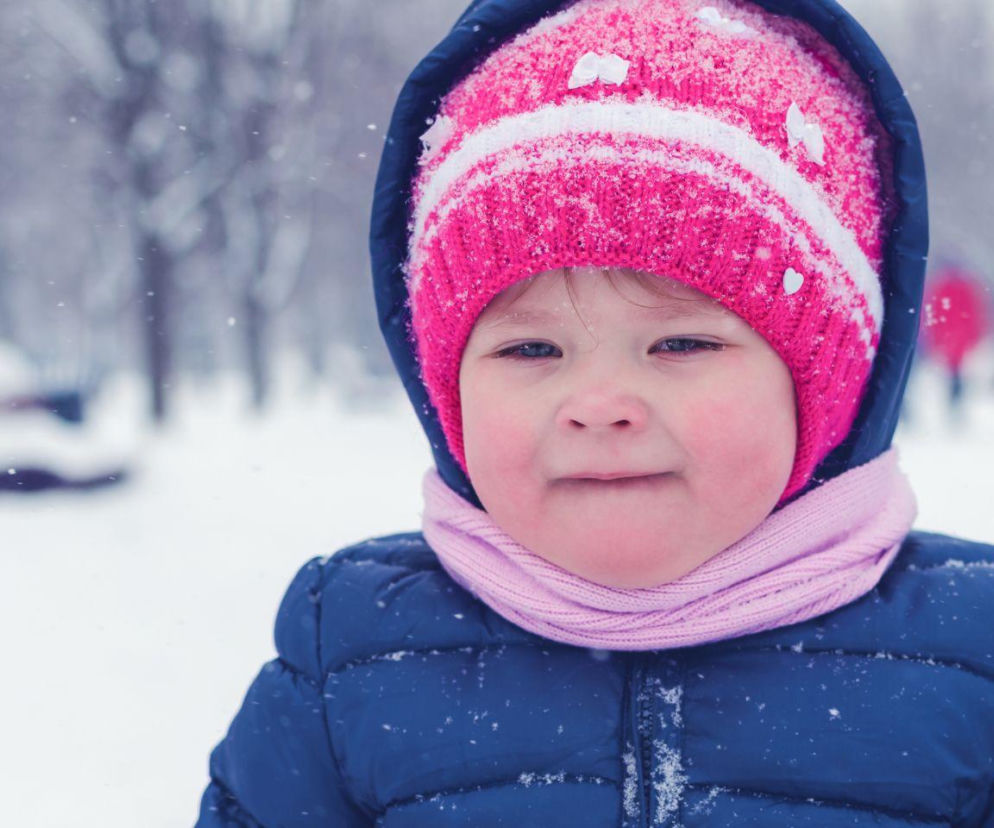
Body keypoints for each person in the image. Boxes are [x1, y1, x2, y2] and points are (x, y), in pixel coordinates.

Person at [196, 0, 994, 824]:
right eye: (531, 351)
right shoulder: (352, 663)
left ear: (823, 386)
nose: (600, 406)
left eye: (681, 345)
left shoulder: (973, 657)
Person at [920, 262, 990, 418]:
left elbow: (939, 311)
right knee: (955, 369)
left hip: (952, 335)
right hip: (955, 335)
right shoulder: (963, 287)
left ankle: (955, 400)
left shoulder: (948, 286)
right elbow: (973, 312)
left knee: (955, 368)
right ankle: (955, 400)